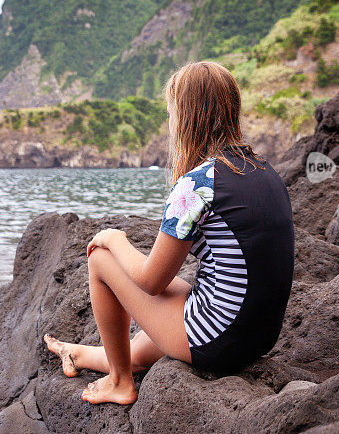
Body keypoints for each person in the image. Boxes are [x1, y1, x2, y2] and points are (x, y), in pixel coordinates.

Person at [44, 61, 295, 405]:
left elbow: (150, 283)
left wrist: (115, 239)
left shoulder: (197, 184)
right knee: (146, 346)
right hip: (259, 335)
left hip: (219, 340)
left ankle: (119, 382)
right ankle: (79, 355)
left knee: (101, 259)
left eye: (172, 112)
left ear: (186, 116)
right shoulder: (265, 170)